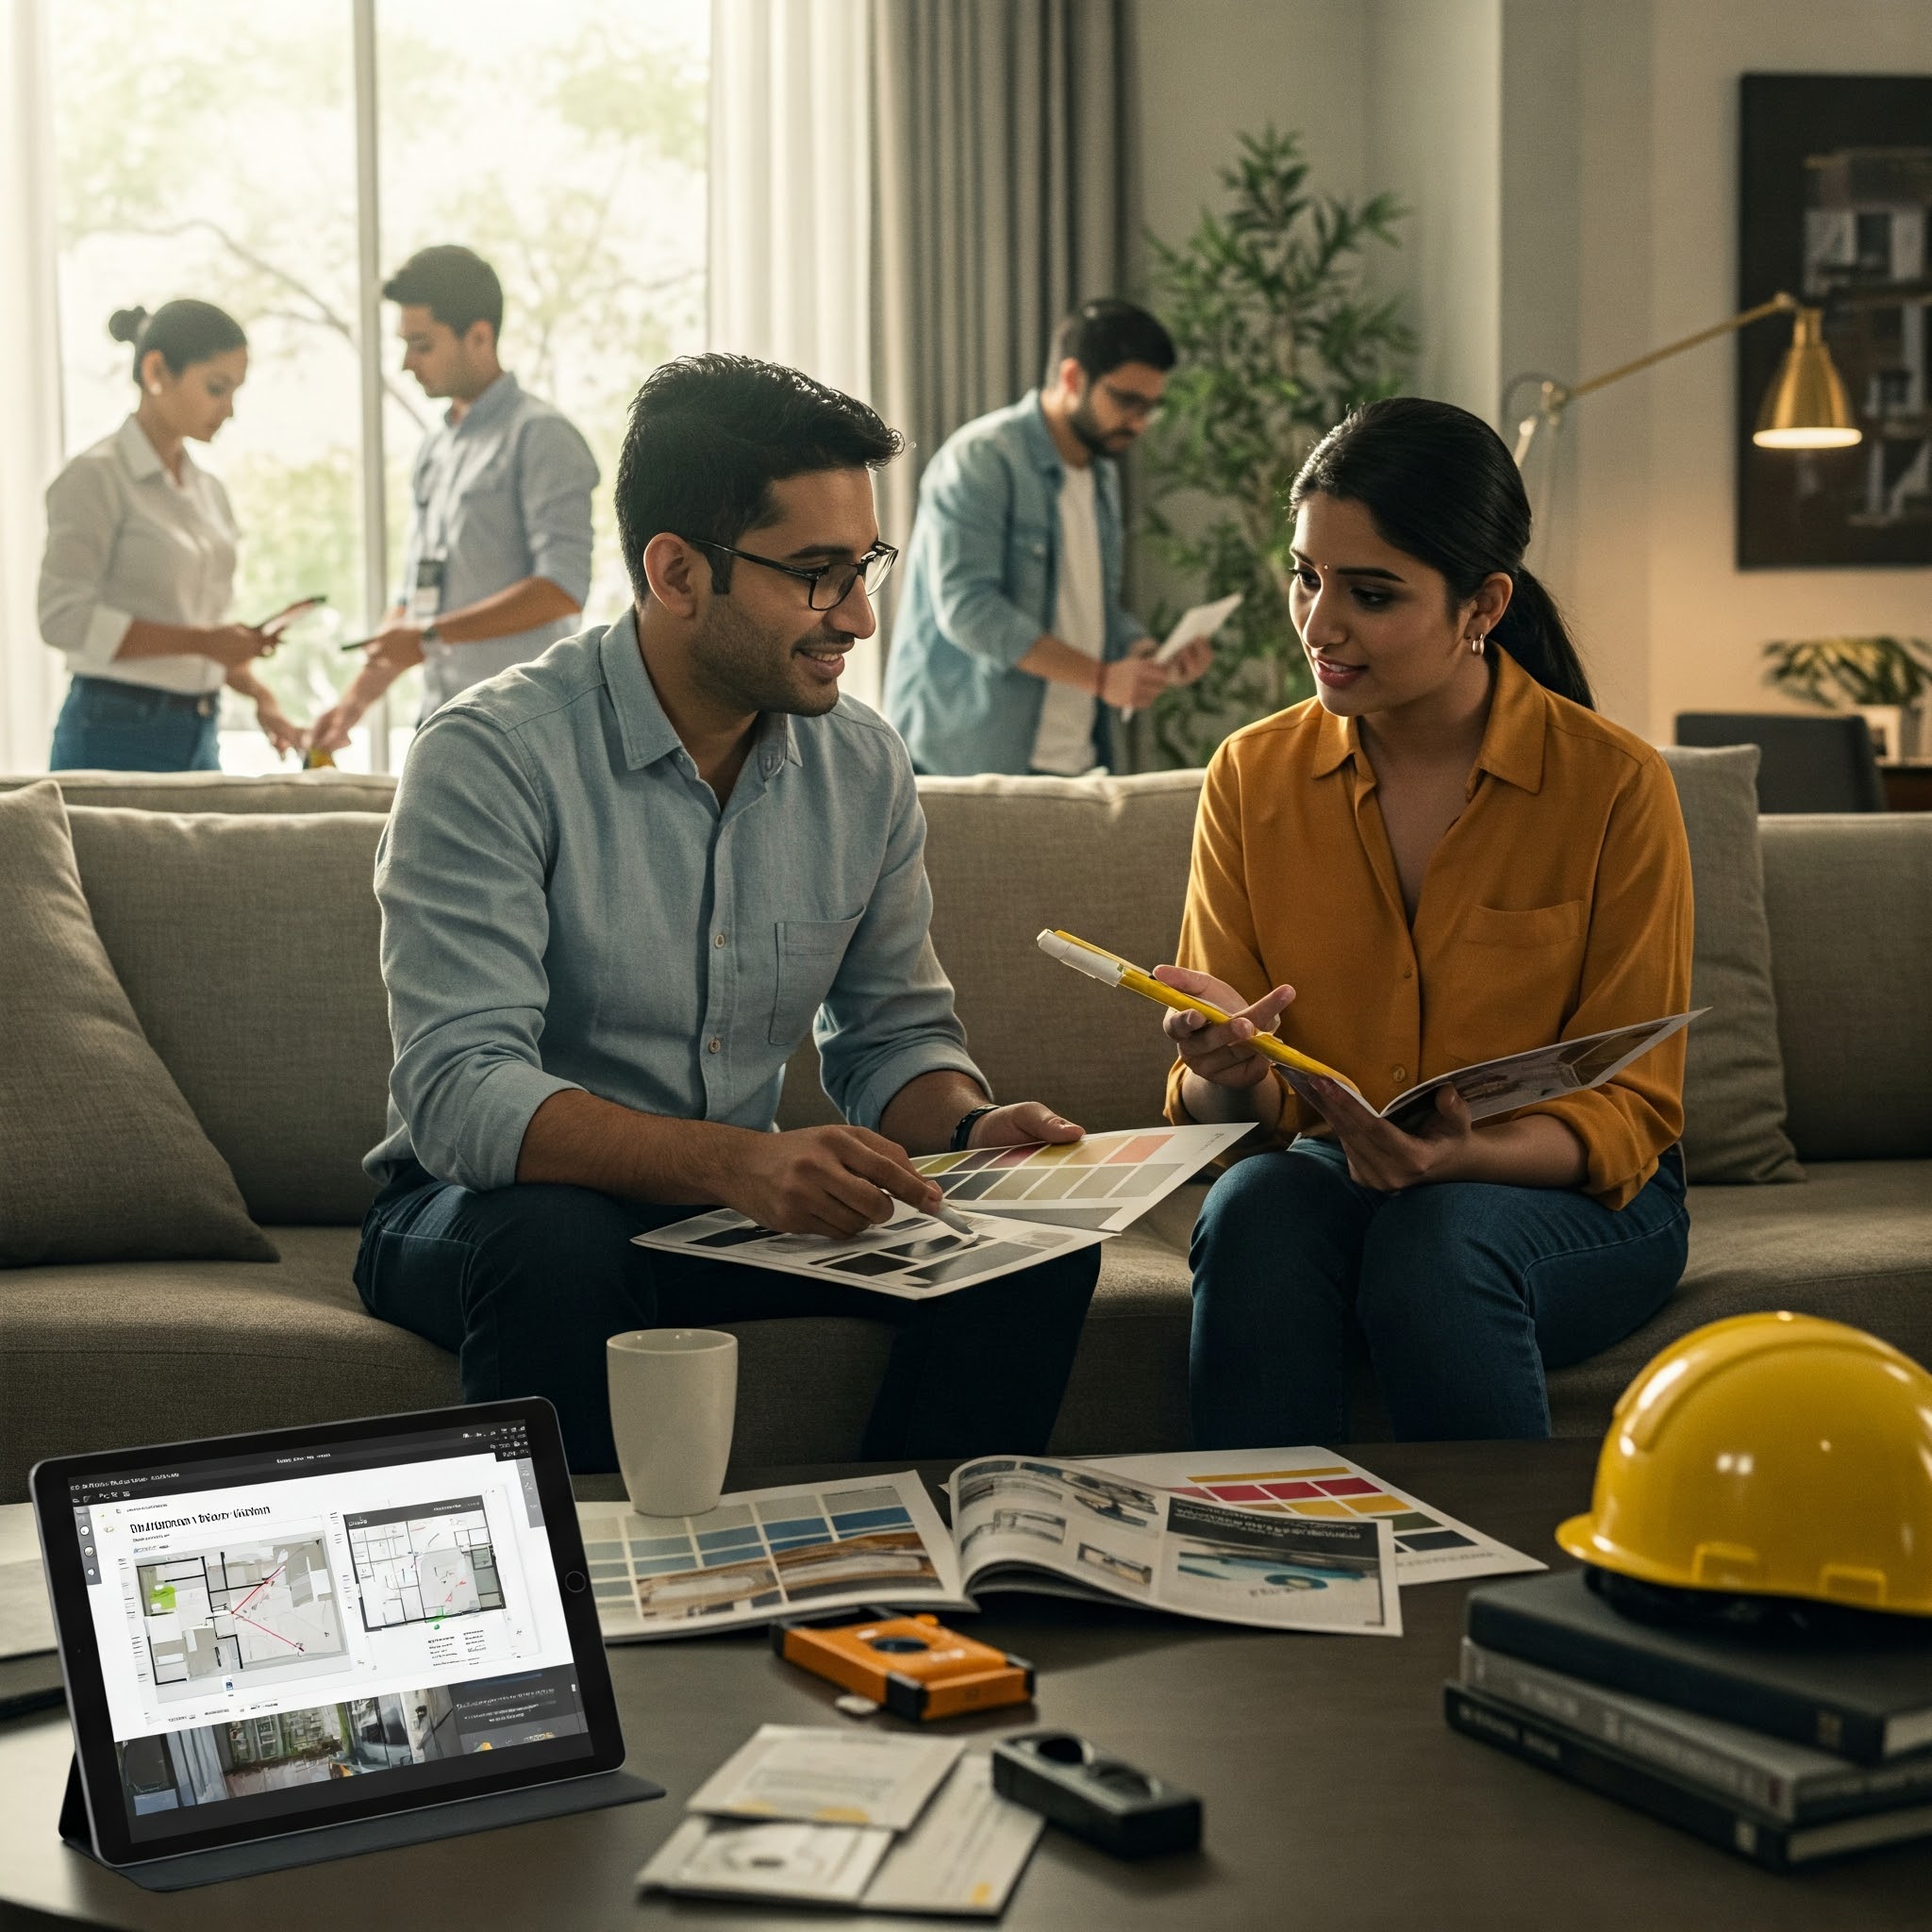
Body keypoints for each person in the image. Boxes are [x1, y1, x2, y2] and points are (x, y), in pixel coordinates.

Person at [352, 353, 1102, 1471]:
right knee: (560, 1244)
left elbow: (892, 1034)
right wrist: (736, 1164)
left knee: (1032, 1247)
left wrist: (963, 1129)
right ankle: (593, 1614)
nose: (855, 615)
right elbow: (464, 1093)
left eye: (864, 567)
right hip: (484, 1209)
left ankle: (908, 1580)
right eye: (813, 573)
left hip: (720, 1216)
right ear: (675, 571)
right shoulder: (491, 754)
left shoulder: (863, 767)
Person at [1158, 397, 1693, 1447]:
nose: (1317, 623)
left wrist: (1454, 1158)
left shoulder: (1611, 785)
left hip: (1565, 1187)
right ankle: (1257, 1557)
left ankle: (1493, 1598)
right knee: (1253, 1207)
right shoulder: (1249, 777)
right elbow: (1236, 1121)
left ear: (1480, 605)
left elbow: (1630, 1108)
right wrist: (1224, 1069)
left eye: (1371, 593)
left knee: (1434, 1238)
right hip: (1337, 1165)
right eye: (1304, 574)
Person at [882, 299, 1211, 775]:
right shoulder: (982, 460)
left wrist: (1144, 652)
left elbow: (1089, 606)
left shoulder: (1100, 474)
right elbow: (968, 609)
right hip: (971, 761)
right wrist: (1100, 678)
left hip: (1075, 757)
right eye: (1127, 401)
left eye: (1151, 408)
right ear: (1074, 378)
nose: (1139, 423)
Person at [308, 245, 597, 754]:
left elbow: (562, 587)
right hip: (442, 724)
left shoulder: (543, 437)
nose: (405, 363)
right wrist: (351, 706)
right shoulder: (434, 449)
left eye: (421, 344)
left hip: (526, 731)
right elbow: (414, 601)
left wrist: (430, 636)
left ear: (480, 336)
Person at [40, 303, 305, 770]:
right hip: (113, 730)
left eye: (235, 392)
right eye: (216, 389)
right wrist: (203, 642)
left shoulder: (210, 492)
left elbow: (207, 627)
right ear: (156, 370)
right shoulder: (94, 477)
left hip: (200, 730)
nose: (229, 410)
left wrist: (261, 694)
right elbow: (62, 618)